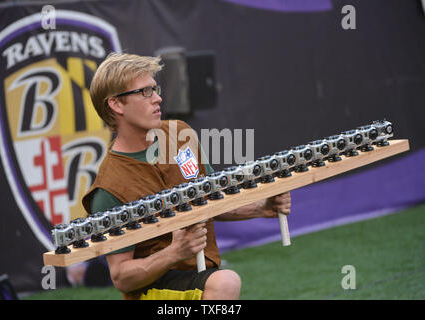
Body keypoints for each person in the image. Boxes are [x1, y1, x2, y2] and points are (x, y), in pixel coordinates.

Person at [82, 52, 292, 300]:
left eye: (155, 88)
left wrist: (260, 208)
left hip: (200, 275)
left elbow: (209, 201)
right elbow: (121, 277)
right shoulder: (108, 188)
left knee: (220, 282)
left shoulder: (180, 132)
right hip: (151, 291)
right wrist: (174, 252)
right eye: (145, 92)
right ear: (116, 104)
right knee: (224, 283)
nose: (158, 98)